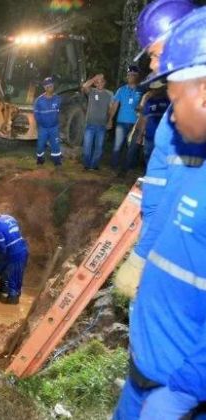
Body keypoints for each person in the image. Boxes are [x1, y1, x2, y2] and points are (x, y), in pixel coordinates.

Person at [113, 8, 206, 419]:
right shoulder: (191, 151)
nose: (169, 111)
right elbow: (159, 206)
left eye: (173, 94)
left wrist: (185, 391)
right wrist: (143, 253)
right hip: (148, 368)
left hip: (181, 386)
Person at [113, 0, 198, 299]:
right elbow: (161, 194)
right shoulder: (175, 114)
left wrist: (141, 256)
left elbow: (178, 199)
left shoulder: (191, 119)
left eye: (154, 54)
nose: (151, 64)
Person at [108, 65, 143, 170]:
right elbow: (114, 105)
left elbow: (145, 107)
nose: (130, 76)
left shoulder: (141, 90)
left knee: (132, 148)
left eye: (133, 75)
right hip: (121, 122)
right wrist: (110, 119)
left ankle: (127, 169)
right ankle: (113, 167)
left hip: (135, 124)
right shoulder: (121, 90)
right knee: (117, 145)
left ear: (137, 76)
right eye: (129, 75)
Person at [81, 73, 114, 170]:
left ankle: (94, 165)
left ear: (105, 83)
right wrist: (95, 77)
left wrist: (110, 120)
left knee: (98, 148)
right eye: (97, 82)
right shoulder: (91, 91)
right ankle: (86, 165)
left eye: (101, 82)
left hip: (102, 125)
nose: (99, 83)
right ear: (95, 83)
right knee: (87, 147)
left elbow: (111, 109)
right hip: (90, 124)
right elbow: (84, 86)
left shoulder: (110, 94)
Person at [33, 77, 63, 166]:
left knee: (55, 144)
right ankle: (40, 158)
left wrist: (57, 121)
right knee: (40, 144)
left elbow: (60, 111)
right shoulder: (39, 100)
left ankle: (57, 160)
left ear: (53, 86)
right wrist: (41, 123)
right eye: (47, 86)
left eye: (51, 85)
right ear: (44, 87)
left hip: (54, 127)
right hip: (43, 128)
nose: (50, 88)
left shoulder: (58, 99)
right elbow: (36, 114)